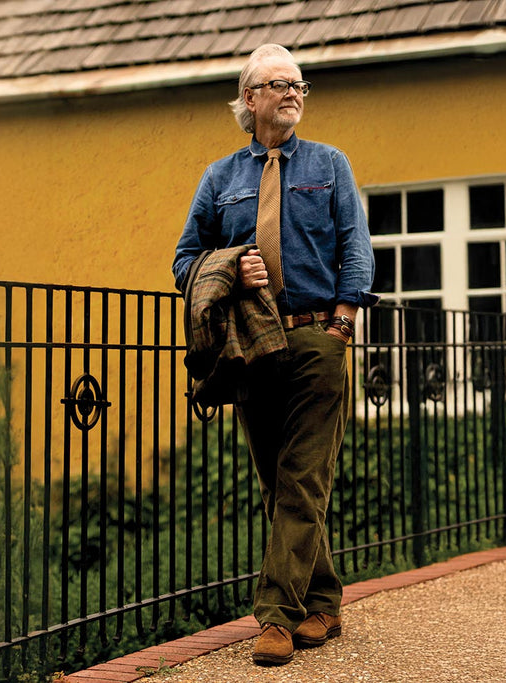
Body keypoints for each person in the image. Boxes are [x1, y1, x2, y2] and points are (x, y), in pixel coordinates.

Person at [172, 43, 378, 667]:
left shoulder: (330, 164)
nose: (293, 92)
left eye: (299, 84)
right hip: (251, 343)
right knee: (276, 479)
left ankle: (276, 617)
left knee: (304, 474)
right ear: (250, 99)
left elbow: (357, 247)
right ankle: (322, 602)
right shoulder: (220, 178)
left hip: (318, 336)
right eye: (279, 83)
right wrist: (233, 264)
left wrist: (343, 323)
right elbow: (184, 261)